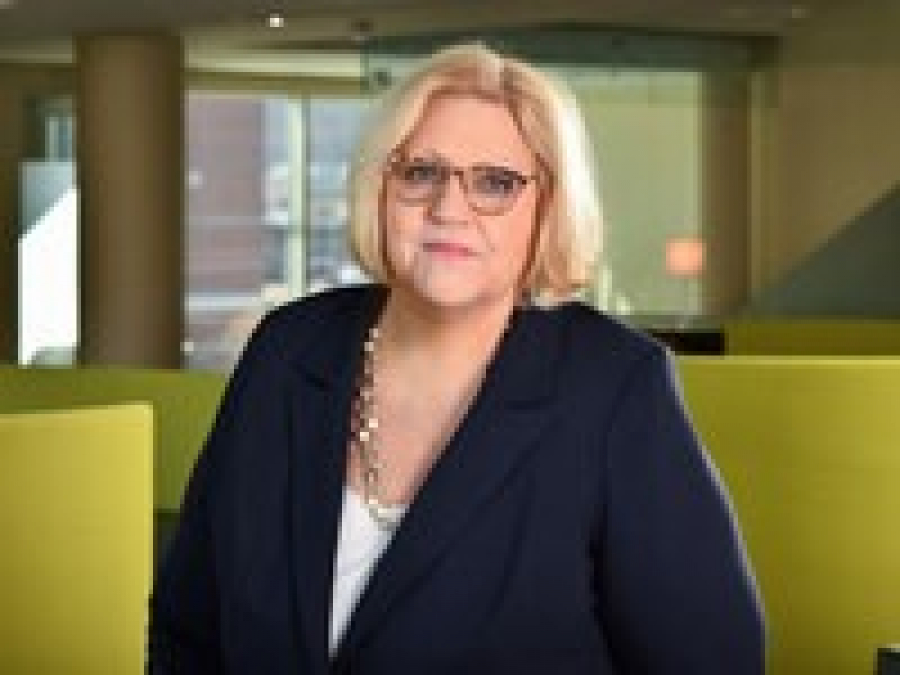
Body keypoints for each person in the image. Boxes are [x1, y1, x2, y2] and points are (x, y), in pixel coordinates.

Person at [149, 43, 765, 674]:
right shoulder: (287, 350)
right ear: (380, 188)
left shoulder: (614, 387)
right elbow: (187, 629)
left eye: (495, 183)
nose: (448, 209)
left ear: (548, 210)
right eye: (421, 172)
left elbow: (712, 661)